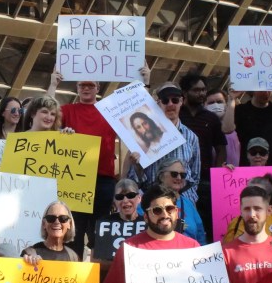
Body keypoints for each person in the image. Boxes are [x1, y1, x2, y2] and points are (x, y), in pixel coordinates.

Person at [48, 68, 150, 258]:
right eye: (82, 85)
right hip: (74, 181)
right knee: (73, 233)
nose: (86, 88)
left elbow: (139, 111)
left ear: (98, 88)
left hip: (103, 181)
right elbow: (46, 114)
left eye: (90, 85)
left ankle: (99, 276)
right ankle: (73, 272)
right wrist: (53, 85)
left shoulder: (109, 111)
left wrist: (145, 81)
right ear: (77, 88)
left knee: (100, 232)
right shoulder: (68, 110)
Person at [126, 82, 201, 204]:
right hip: (153, 203)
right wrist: (138, 167)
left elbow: (195, 176)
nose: (170, 104)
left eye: (175, 100)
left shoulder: (191, 137)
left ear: (181, 101)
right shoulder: (143, 138)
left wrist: (188, 201)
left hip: (182, 203)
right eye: (165, 100)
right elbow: (134, 180)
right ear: (158, 103)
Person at [179, 72, 228, 242]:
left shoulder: (211, 118)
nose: (201, 94)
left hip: (206, 179)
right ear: (184, 92)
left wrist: (218, 171)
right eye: (196, 90)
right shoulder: (177, 115)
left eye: (203, 90)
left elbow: (221, 147)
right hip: (180, 177)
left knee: (206, 220)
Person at [223, 174, 272, 243]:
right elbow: (227, 248)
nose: (252, 195)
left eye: (258, 193)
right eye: (249, 191)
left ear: (269, 197)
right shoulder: (235, 223)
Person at [155, 158, 207, 244]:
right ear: (161, 176)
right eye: (174, 174)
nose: (179, 178)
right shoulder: (149, 203)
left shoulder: (189, 204)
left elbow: (200, 236)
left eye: (183, 175)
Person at [205, 89, 240, 167]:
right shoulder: (204, 129)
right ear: (204, 105)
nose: (216, 105)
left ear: (226, 104)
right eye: (211, 103)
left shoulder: (236, 125)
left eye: (219, 102)